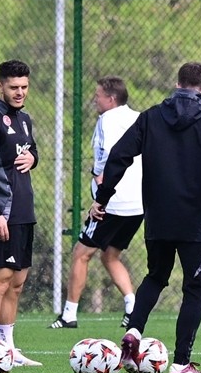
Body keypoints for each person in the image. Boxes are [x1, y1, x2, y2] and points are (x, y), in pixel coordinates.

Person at [93, 62, 201, 373]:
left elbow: (119, 155)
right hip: (195, 221)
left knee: (156, 276)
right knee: (195, 288)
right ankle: (181, 363)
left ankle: (135, 331)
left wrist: (103, 196)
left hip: (158, 217)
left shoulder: (150, 117)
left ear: (177, 84)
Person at [50, 76, 139, 330]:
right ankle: (132, 307)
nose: (94, 99)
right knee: (110, 255)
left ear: (111, 99)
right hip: (138, 204)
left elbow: (108, 159)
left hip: (113, 202)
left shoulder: (106, 121)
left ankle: (69, 315)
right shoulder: (138, 117)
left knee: (81, 253)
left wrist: (100, 197)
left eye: (98, 95)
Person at [0, 59, 42, 367]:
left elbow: (31, 150)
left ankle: (8, 349)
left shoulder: (24, 119)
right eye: (13, 87)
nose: (19, 92)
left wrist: (33, 158)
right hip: (3, 212)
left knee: (17, 282)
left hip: (25, 210)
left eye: (24, 87)